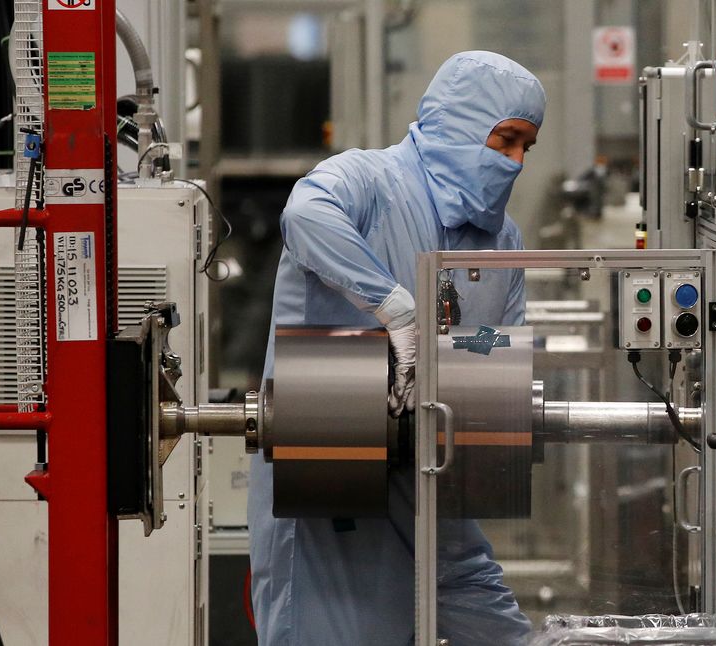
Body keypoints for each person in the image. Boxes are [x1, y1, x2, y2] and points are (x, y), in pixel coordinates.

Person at [247, 51, 544, 645]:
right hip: (333, 474)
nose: (513, 162)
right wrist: (393, 309)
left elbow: (499, 342)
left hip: (434, 475)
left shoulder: (500, 240)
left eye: (525, 148)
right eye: (504, 140)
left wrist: (466, 352)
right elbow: (305, 216)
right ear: (460, 122)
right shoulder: (368, 181)